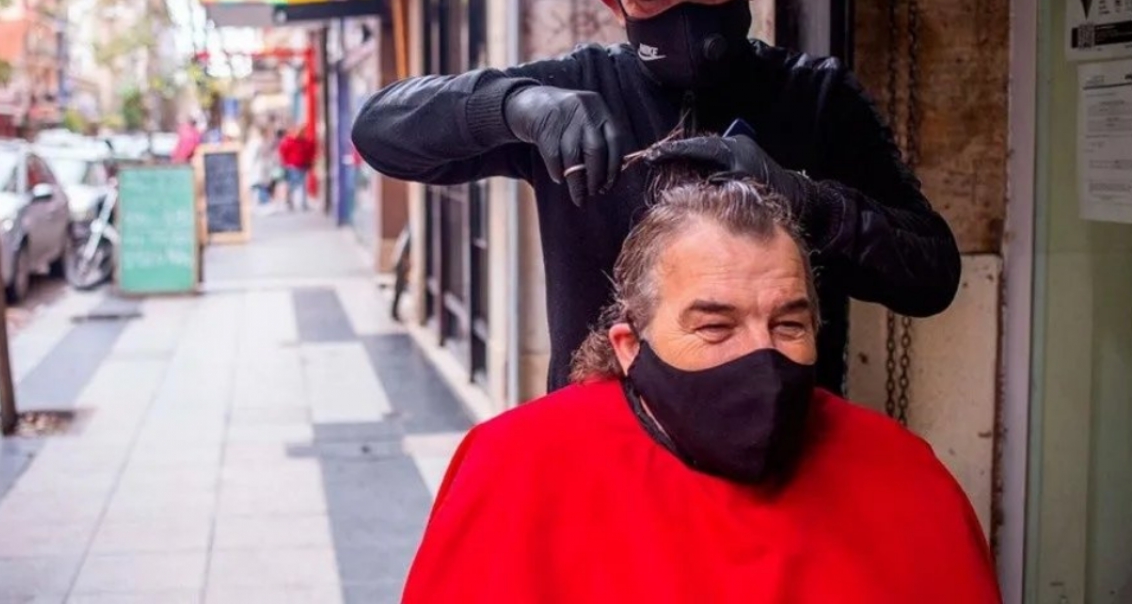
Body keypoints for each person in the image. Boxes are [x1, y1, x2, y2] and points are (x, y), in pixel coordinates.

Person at [351, 0, 960, 394]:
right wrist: (516, 107)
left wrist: (805, 199)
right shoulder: (579, 88)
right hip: (603, 453)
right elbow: (380, 131)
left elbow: (931, 275)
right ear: (614, 4)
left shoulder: (815, 96)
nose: (683, 13)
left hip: (778, 444)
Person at [402, 178, 1000, 603]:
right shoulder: (517, 467)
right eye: (715, 326)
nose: (759, 353)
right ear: (630, 345)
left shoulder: (900, 472)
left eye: (789, 324)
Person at [278, 127, 316, 211]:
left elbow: (309, 152)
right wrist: (285, 163)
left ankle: (303, 203)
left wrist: (310, 161)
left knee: (303, 185)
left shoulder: (305, 142)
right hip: (293, 166)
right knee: (294, 184)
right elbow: (283, 152)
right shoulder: (290, 141)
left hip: (303, 165)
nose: (302, 134)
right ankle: (290, 200)